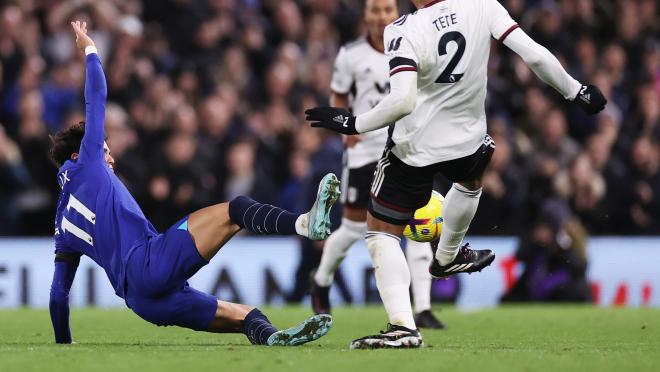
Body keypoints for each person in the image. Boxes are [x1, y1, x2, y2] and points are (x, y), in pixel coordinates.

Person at [306, 0, 606, 349]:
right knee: (469, 183)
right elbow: (535, 55)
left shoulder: (403, 30)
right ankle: (447, 255)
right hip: (469, 142)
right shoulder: (483, 6)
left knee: (380, 231)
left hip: (414, 149)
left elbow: (402, 101)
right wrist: (576, 90)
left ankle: (403, 326)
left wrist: (353, 122)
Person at [49, 21, 341, 346]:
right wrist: (89, 47)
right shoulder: (88, 163)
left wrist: (65, 345)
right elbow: (97, 95)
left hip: (144, 303)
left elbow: (58, 295)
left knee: (247, 316)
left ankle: (272, 337)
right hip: (148, 263)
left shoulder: (62, 224)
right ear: (78, 154)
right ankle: (305, 223)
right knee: (237, 209)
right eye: (105, 151)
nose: (110, 159)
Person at [309, 0, 444, 330]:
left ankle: (423, 306)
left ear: (395, 12)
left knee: (414, 225)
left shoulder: (414, 41)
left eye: (386, 9)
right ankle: (322, 279)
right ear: (366, 15)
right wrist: (345, 130)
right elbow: (339, 94)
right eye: (375, 10)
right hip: (364, 150)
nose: (381, 15)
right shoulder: (351, 54)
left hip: (407, 146)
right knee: (355, 228)